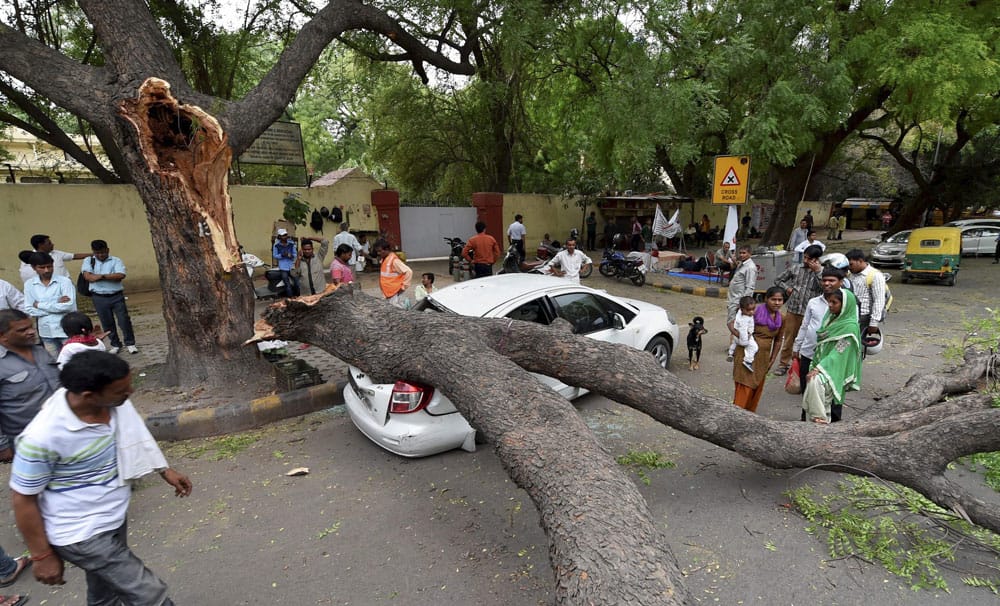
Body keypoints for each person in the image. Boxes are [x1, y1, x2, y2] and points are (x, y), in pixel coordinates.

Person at [10, 351, 193, 603]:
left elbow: (135, 432)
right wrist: (41, 555)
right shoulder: (42, 438)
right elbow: (23, 499)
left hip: (113, 517)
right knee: (150, 594)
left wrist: (164, 469)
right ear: (89, 395)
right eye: (122, 391)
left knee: (105, 593)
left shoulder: (112, 402)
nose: (130, 393)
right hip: (80, 533)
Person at [0, 309, 60, 462]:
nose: (32, 332)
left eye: (31, 327)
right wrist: (2, 446)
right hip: (26, 440)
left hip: (59, 430)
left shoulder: (40, 351)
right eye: (23, 330)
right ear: (2, 335)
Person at [802, 289, 862, 424]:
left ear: (845, 305)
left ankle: (820, 419)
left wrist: (819, 368)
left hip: (835, 368)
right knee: (815, 392)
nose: (830, 305)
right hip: (821, 363)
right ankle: (818, 421)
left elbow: (839, 352)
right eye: (829, 302)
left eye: (834, 302)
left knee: (816, 381)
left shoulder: (850, 327)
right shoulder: (829, 320)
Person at [792, 268, 846, 416]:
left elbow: (849, 334)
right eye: (824, 280)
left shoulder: (848, 303)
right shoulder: (813, 302)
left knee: (831, 394)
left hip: (832, 359)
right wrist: (797, 347)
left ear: (841, 282)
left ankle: (832, 428)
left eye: (832, 280)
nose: (827, 283)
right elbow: (805, 325)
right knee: (808, 393)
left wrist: (840, 356)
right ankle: (807, 425)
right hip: (809, 353)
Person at [732, 286, 785, 413]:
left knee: (756, 388)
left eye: (780, 300)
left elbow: (778, 340)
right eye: (773, 299)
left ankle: (749, 419)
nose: (777, 303)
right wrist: (741, 337)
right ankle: (735, 418)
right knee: (744, 387)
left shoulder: (782, 318)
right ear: (766, 299)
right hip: (746, 355)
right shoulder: (753, 311)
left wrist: (772, 360)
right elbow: (734, 324)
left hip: (763, 358)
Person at [773, 244, 823, 375]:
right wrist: (787, 288)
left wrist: (817, 271)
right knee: (789, 338)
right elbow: (778, 280)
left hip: (811, 313)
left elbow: (825, 288)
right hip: (793, 309)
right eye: (804, 257)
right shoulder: (796, 268)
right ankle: (783, 364)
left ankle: (804, 366)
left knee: (809, 340)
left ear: (816, 260)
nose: (806, 261)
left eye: (809, 259)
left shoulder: (822, 272)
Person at [82, 239, 138, 355]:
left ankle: (130, 343)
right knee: (107, 322)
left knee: (124, 320)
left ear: (107, 250)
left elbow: (120, 275)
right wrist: (109, 276)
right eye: (97, 253)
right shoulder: (89, 261)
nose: (100, 255)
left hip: (116, 296)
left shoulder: (116, 260)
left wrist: (101, 276)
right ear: (93, 252)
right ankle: (115, 344)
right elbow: (89, 277)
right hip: (98, 297)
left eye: (103, 252)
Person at [24, 252, 77, 357]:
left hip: (66, 329)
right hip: (46, 331)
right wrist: (56, 302)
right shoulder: (29, 284)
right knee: (54, 363)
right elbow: (29, 308)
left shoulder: (64, 282)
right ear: (34, 268)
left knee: (73, 360)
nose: (47, 270)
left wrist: (39, 305)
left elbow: (68, 306)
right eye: (42, 267)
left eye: (49, 266)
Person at [846, 249, 887, 342]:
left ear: (860, 261)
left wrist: (874, 323)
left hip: (863, 318)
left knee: (856, 344)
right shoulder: (850, 275)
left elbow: (879, 300)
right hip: (849, 316)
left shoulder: (875, 275)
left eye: (851, 264)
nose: (849, 267)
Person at [18, 234, 88, 284]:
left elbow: (74, 256)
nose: (52, 244)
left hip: (66, 286)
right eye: (49, 243)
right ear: (40, 245)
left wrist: (94, 254)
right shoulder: (29, 260)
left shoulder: (56, 253)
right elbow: (28, 278)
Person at [725, 245, 756, 328]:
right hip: (733, 299)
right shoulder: (741, 264)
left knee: (734, 324)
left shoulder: (750, 267)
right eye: (740, 253)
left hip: (738, 300)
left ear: (750, 254)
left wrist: (743, 303)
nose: (741, 255)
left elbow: (750, 287)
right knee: (733, 322)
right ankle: (735, 340)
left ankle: (740, 339)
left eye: (744, 253)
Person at [376, 239, 413, 308]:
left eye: (380, 251)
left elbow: (409, 272)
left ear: (386, 249)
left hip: (394, 293)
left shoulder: (394, 261)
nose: (378, 253)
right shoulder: (385, 259)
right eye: (377, 251)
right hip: (388, 292)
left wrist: (403, 287)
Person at [727, 296, 757, 372]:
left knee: (734, 342)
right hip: (743, 337)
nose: (751, 312)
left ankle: (730, 352)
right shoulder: (745, 319)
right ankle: (748, 361)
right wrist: (745, 341)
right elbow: (743, 331)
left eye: (753, 309)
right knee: (754, 347)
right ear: (742, 309)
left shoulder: (739, 313)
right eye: (748, 310)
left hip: (736, 337)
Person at [272, 228, 300, 298]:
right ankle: (290, 298)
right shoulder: (276, 245)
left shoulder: (291, 243)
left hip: (292, 266)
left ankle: (299, 296)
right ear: (279, 237)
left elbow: (295, 254)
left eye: (285, 235)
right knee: (287, 284)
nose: (285, 237)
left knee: (297, 282)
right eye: (283, 235)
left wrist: (291, 255)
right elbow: (275, 255)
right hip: (283, 267)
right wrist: (282, 255)